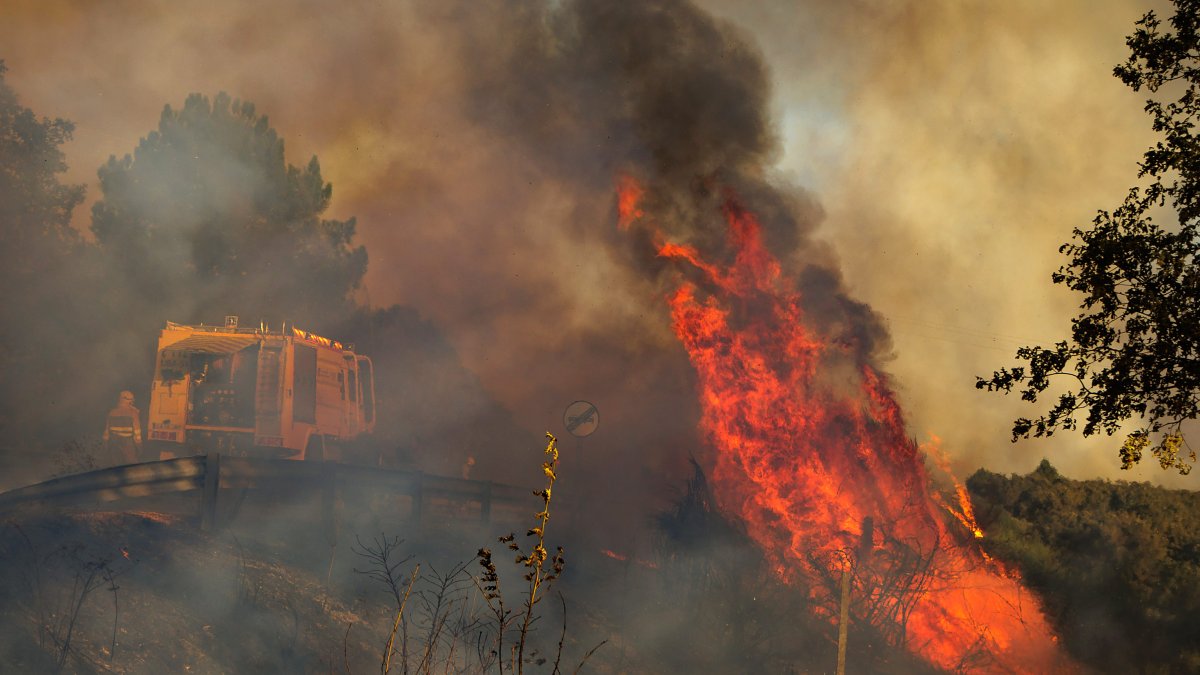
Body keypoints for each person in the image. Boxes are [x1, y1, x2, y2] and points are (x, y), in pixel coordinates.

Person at [103, 390, 143, 465]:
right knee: (131, 467)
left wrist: (105, 445)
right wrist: (139, 447)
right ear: (130, 401)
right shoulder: (133, 413)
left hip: (114, 444)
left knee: (116, 467)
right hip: (128, 445)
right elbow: (137, 434)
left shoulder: (111, 412)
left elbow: (106, 432)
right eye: (131, 400)